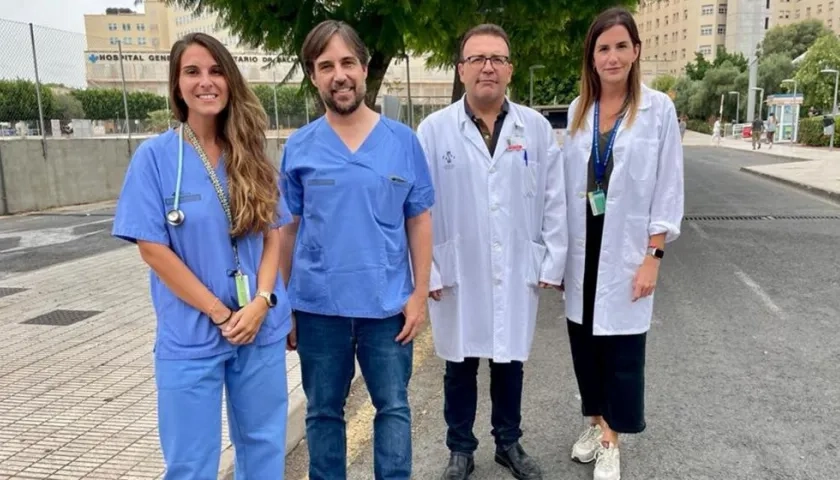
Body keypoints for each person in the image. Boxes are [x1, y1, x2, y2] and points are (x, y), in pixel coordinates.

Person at [111, 32, 292, 479]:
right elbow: (154, 250)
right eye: (192, 71)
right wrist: (217, 311)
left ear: (230, 81)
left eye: (215, 71)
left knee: (264, 447)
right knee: (191, 462)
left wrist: (261, 302)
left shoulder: (251, 153)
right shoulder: (154, 158)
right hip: (191, 336)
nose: (205, 81)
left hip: (257, 329)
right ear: (176, 85)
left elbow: (274, 235)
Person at [278, 20, 435, 480]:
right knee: (323, 413)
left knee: (393, 408)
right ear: (313, 75)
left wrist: (419, 293)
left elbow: (419, 218)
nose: (338, 75)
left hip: (387, 306)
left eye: (347, 62)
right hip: (318, 308)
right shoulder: (300, 147)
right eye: (326, 65)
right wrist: (285, 304)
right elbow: (287, 229)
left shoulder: (403, 142)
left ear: (364, 68)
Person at [416, 24, 567, 480]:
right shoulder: (433, 130)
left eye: (497, 59)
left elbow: (554, 198)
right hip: (456, 267)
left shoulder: (536, 129)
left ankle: (509, 443)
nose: (488, 67)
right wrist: (429, 271)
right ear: (461, 70)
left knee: (509, 361)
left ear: (510, 70)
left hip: (515, 264)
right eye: (477, 59)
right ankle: (460, 449)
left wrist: (552, 258)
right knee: (458, 364)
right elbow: (418, 209)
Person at [561, 8, 684, 480]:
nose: (611, 57)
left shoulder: (657, 110)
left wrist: (654, 255)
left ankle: (612, 438)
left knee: (622, 348)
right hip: (584, 245)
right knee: (585, 342)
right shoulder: (579, 111)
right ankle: (595, 422)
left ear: (636, 52)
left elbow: (667, 186)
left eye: (620, 47)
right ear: (592, 57)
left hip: (629, 244)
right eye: (602, 48)